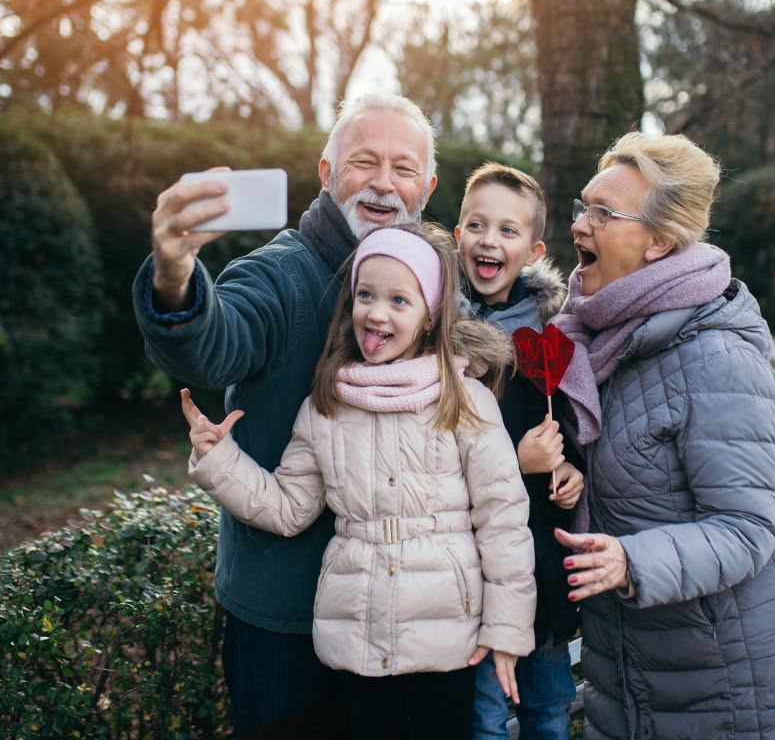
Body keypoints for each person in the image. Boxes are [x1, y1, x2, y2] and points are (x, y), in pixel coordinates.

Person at [131, 93, 437, 736]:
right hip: (284, 618)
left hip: (398, 620)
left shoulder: (436, 287)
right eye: (364, 162)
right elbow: (212, 343)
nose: (384, 184)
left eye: (404, 169)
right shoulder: (280, 274)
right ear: (326, 174)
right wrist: (173, 276)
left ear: (427, 188)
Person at [548, 132, 775, 739]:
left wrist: (630, 559)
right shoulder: (599, 337)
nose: (581, 227)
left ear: (660, 242)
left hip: (742, 678)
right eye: (581, 207)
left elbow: (747, 530)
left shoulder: (714, 355)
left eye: (603, 214)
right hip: (651, 666)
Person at [180, 223, 537, 740]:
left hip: (447, 636)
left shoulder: (464, 400)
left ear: (430, 315)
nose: (376, 312)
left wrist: (506, 629)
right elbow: (288, 507)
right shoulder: (326, 406)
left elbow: (502, 517)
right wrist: (220, 461)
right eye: (365, 296)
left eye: (399, 300)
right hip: (358, 636)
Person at [453, 163, 582, 740]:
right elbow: (428, 453)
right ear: (457, 235)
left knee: (549, 710)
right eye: (476, 224)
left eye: (507, 231)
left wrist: (569, 470)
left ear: (531, 252)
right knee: (484, 718)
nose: (489, 239)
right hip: (476, 577)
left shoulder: (547, 338)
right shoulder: (437, 336)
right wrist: (516, 461)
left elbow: (570, 433)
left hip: (543, 570)